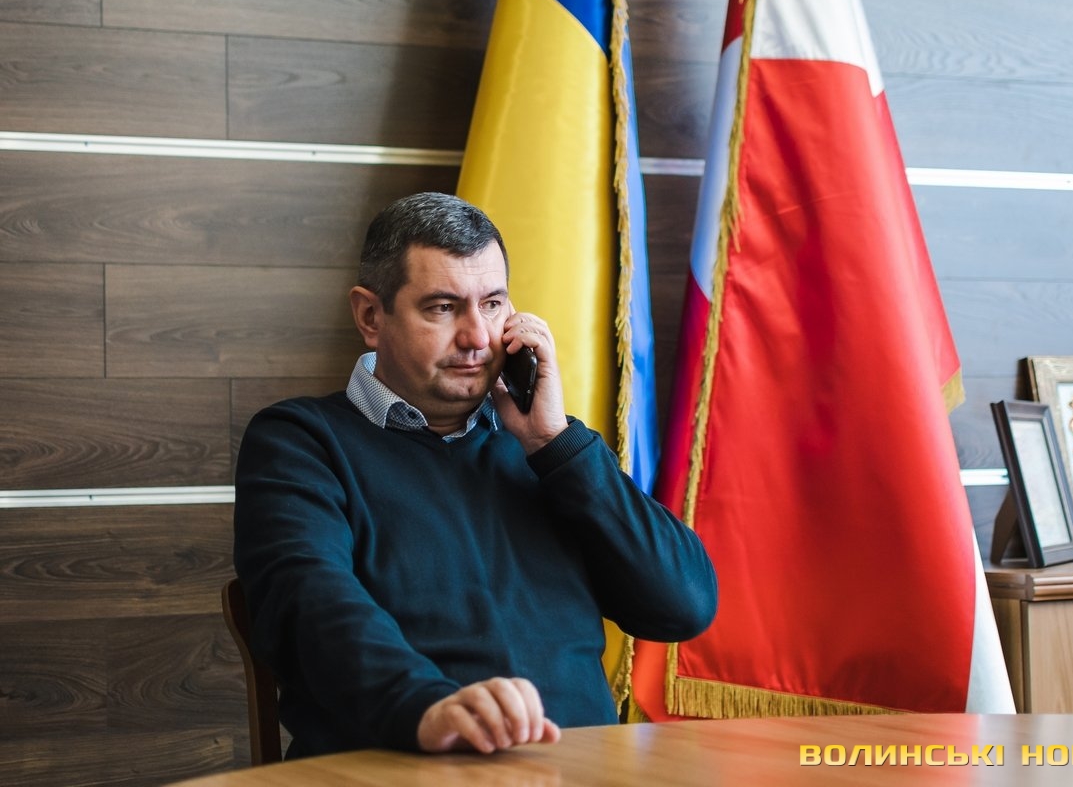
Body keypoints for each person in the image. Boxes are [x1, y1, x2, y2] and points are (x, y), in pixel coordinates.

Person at [233, 192, 718, 758]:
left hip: (579, 768)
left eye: (491, 304)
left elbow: (683, 606)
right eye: (442, 308)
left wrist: (556, 447)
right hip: (401, 767)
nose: (478, 339)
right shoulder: (299, 442)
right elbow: (308, 602)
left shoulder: (552, 452)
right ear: (371, 317)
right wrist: (425, 707)